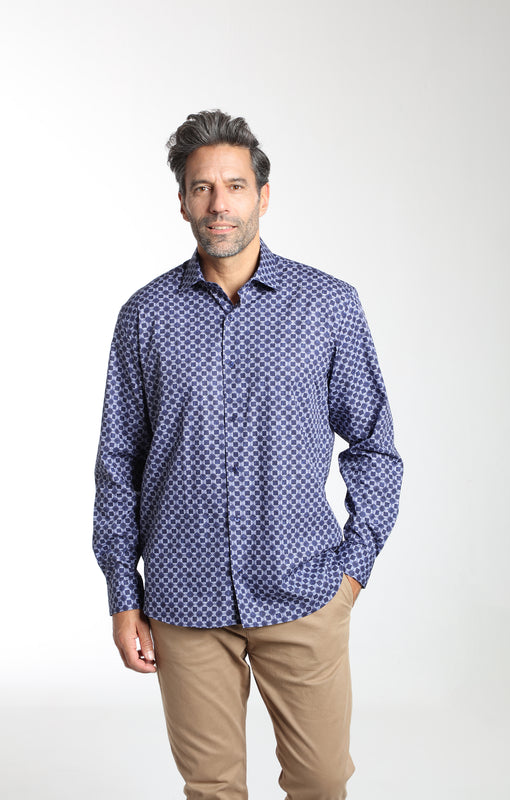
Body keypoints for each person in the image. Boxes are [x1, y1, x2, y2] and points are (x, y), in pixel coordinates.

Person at [93, 109, 403, 800]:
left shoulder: (327, 306)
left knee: (321, 780)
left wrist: (351, 572)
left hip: (303, 588)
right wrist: (123, 594)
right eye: (201, 188)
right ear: (181, 202)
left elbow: (374, 444)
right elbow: (118, 465)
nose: (219, 203)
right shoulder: (145, 316)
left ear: (263, 196)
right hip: (183, 598)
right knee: (211, 789)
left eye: (234, 186)